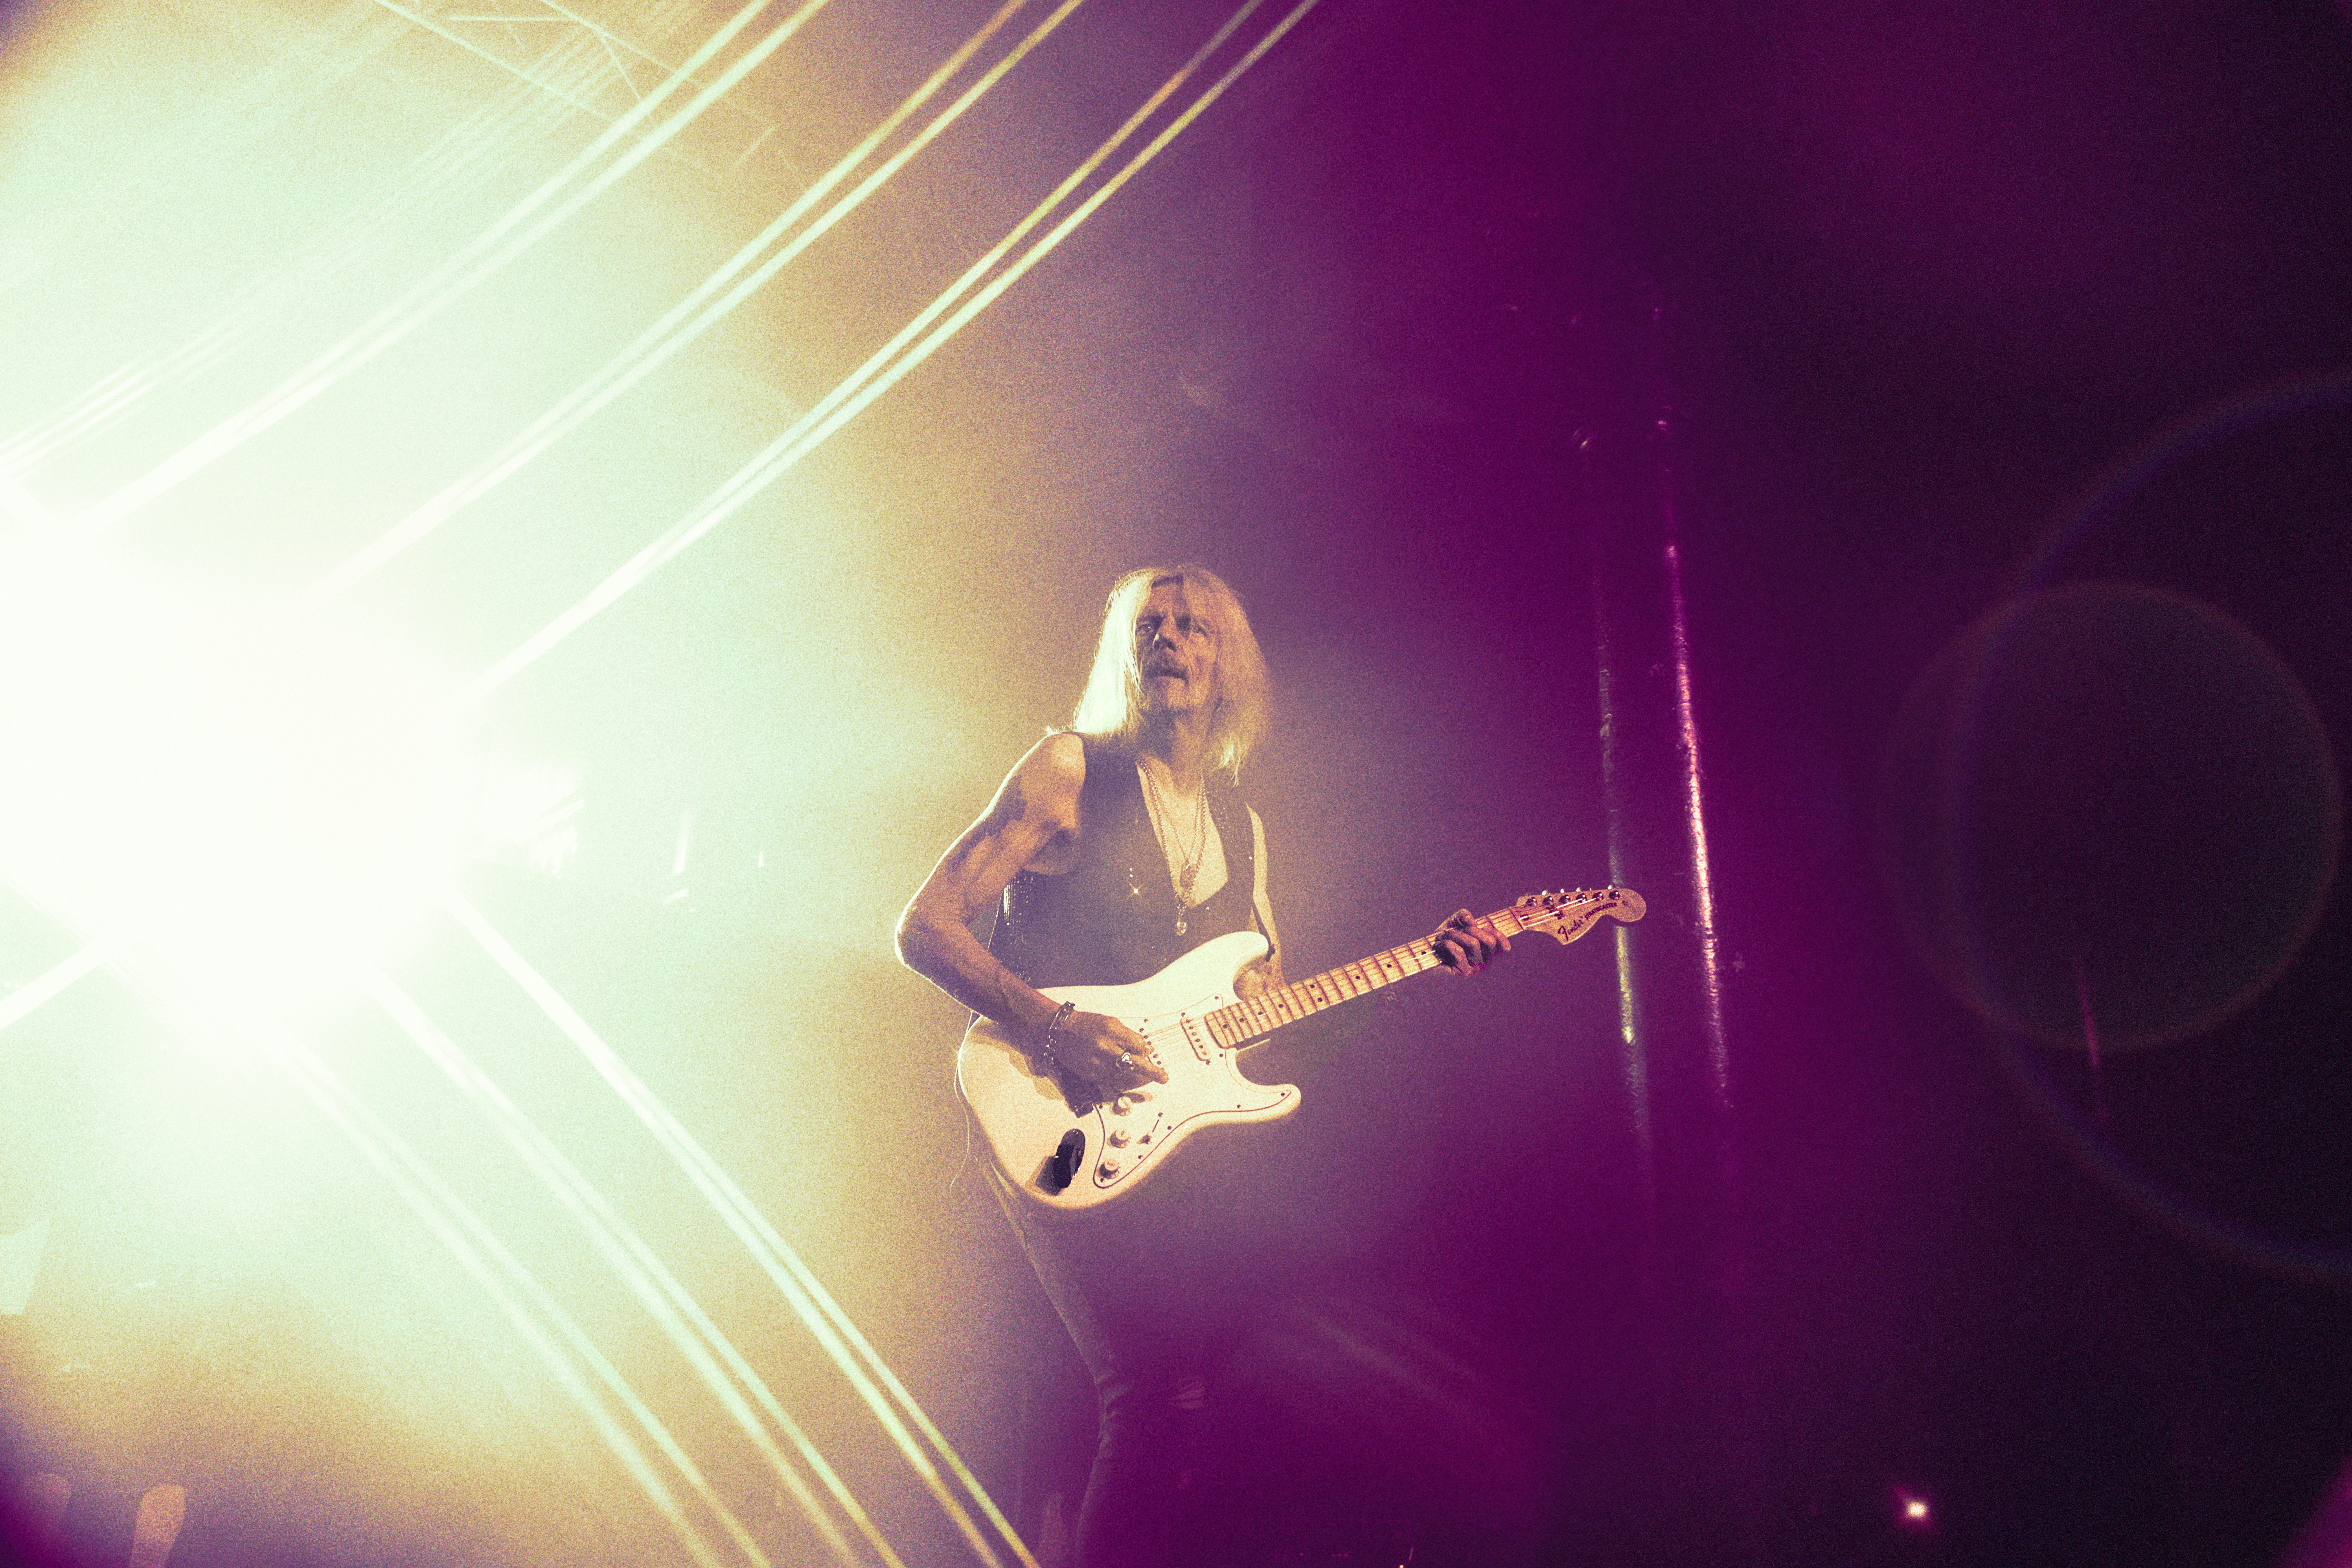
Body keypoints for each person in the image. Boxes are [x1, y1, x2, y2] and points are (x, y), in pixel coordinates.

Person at [896, 564, 1505, 1568]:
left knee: (1209, 1388)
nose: (1168, 641)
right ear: (1124, 656)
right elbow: (923, 926)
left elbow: (1265, 1033)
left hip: (1164, 1144)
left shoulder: (1244, 828)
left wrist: (1415, 969)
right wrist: (1049, 1028)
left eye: (1193, 627)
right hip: (1046, 1103)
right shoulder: (1068, 770)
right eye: (1150, 625)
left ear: (1228, 664)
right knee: (1145, 1391)